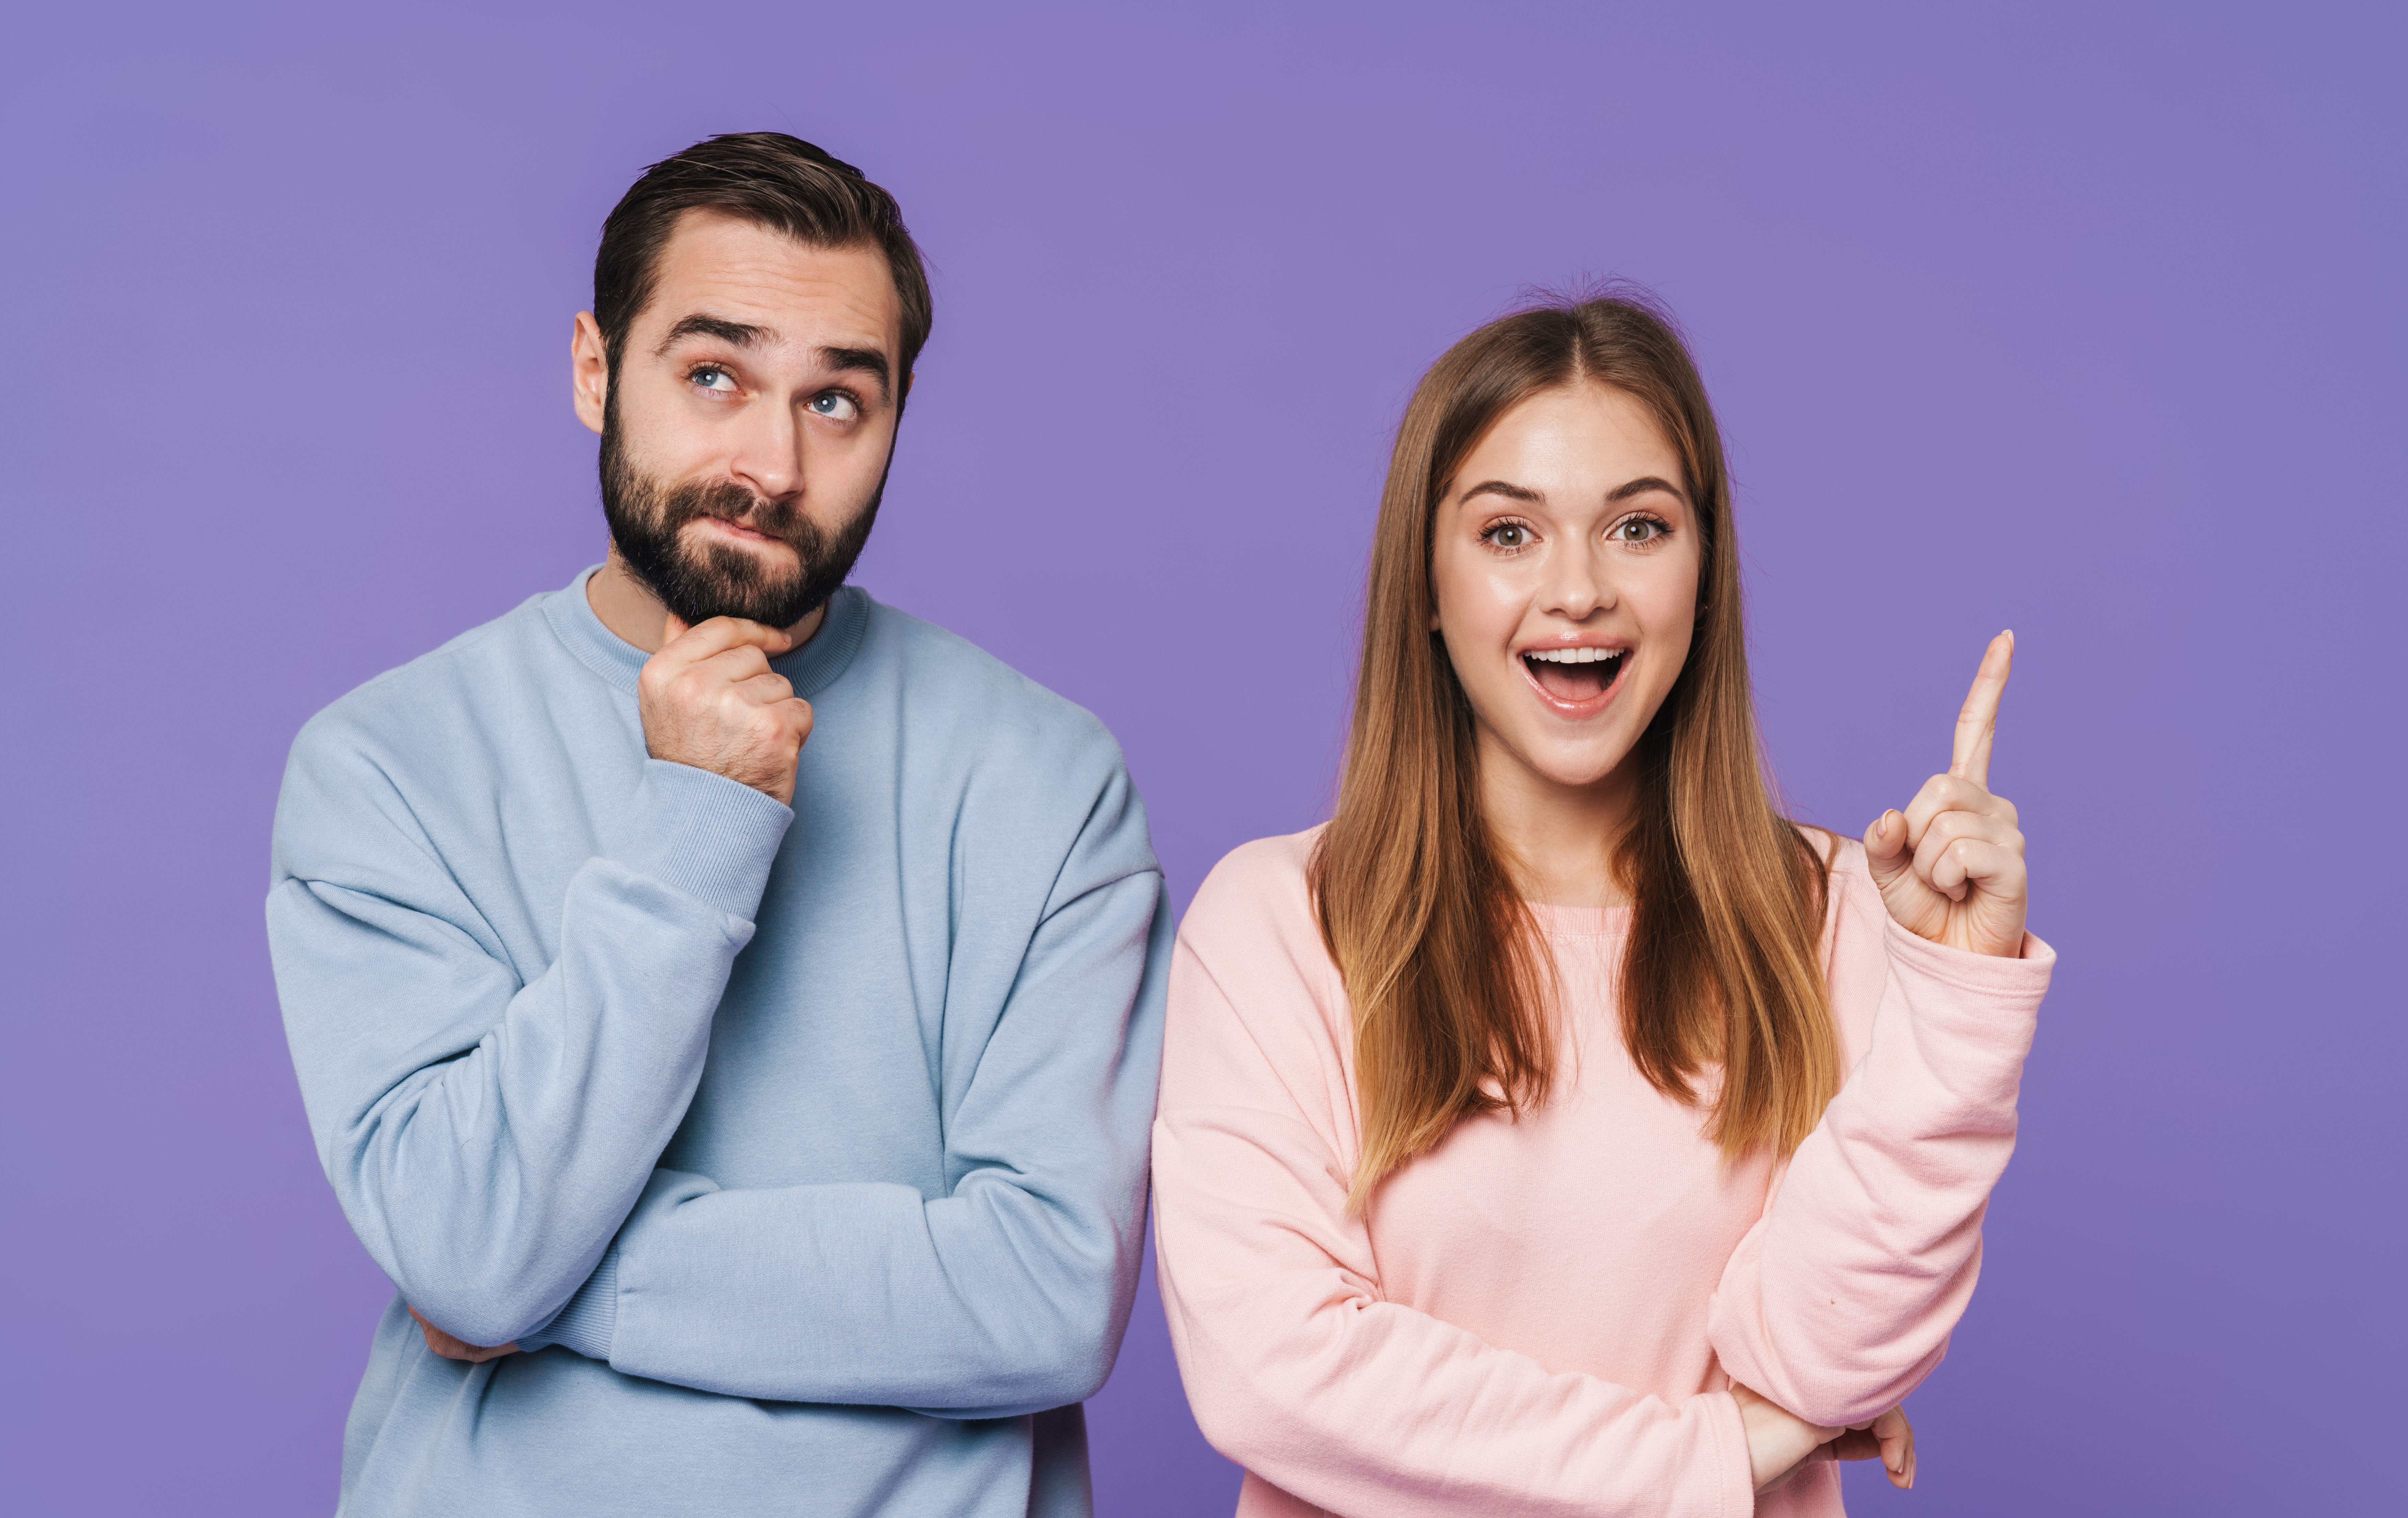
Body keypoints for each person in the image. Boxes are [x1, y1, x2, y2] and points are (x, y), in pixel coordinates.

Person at [267, 132, 1169, 1517]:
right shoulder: (386, 767)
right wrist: (699, 817)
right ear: (592, 369)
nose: (771, 460)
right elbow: (468, 1249)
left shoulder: (1047, 782)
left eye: (837, 403)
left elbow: (1047, 1295)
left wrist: (564, 1283)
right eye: (712, 377)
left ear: (896, 418)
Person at [1151, 292, 2053, 1516]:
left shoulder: (1836, 909)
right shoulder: (1277, 921)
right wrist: (1717, 1453)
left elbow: (1830, 1358)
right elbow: (1277, 1374)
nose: (1578, 591)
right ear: (1426, 583)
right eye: (1509, 534)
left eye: (1638, 526)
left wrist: (1957, 1006)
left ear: (1704, 571)